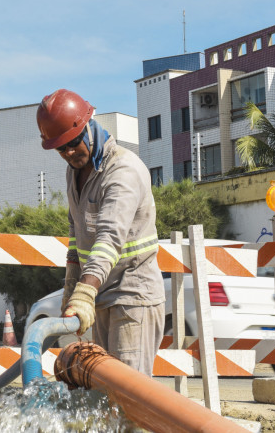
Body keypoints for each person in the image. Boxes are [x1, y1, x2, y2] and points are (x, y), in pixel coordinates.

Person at [36, 88, 165, 376]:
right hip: (102, 295)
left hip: (132, 296)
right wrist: (72, 289)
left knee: (128, 394)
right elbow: (76, 236)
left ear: (88, 126)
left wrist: (85, 292)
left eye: (72, 143)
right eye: (61, 149)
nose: (69, 153)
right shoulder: (75, 171)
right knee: (105, 389)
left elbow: (109, 239)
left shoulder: (122, 171)